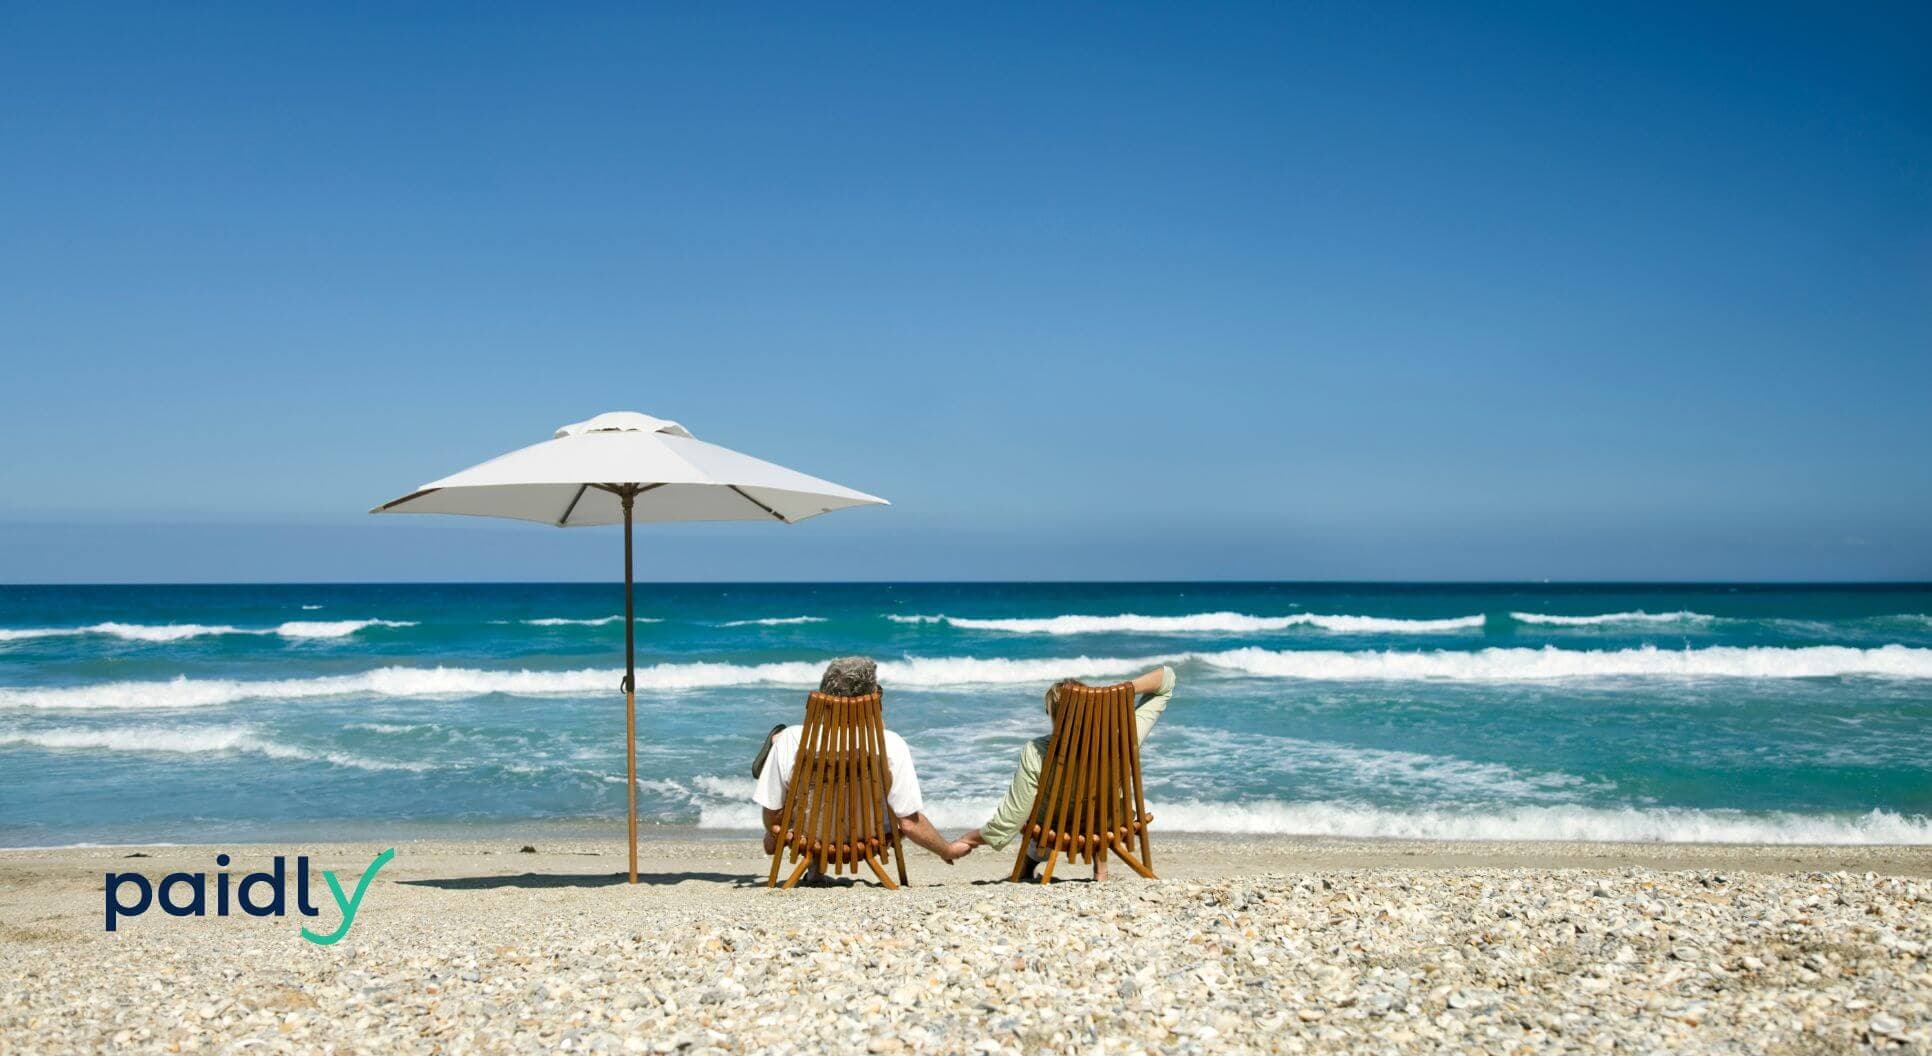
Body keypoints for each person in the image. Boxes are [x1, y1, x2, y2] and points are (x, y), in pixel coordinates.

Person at [951, 665, 1175, 881]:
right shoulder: (1122, 737)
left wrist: (969, 839)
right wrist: (1114, 694)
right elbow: (1166, 680)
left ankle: (1029, 865)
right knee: (1098, 803)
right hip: (1108, 825)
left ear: (1054, 715)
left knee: (1040, 809)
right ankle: (1101, 869)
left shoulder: (1037, 751)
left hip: (1055, 829)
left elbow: (1012, 819)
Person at [751, 656, 962, 871]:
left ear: (825, 698)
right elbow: (909, 823)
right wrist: (947, 849)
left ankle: (774, 739)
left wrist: (773, 834)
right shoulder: (891, 743)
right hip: (869, 835)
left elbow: (771, 812)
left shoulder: (793, 739)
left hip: (808, 835)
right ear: (871, 701)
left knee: (796, 774)